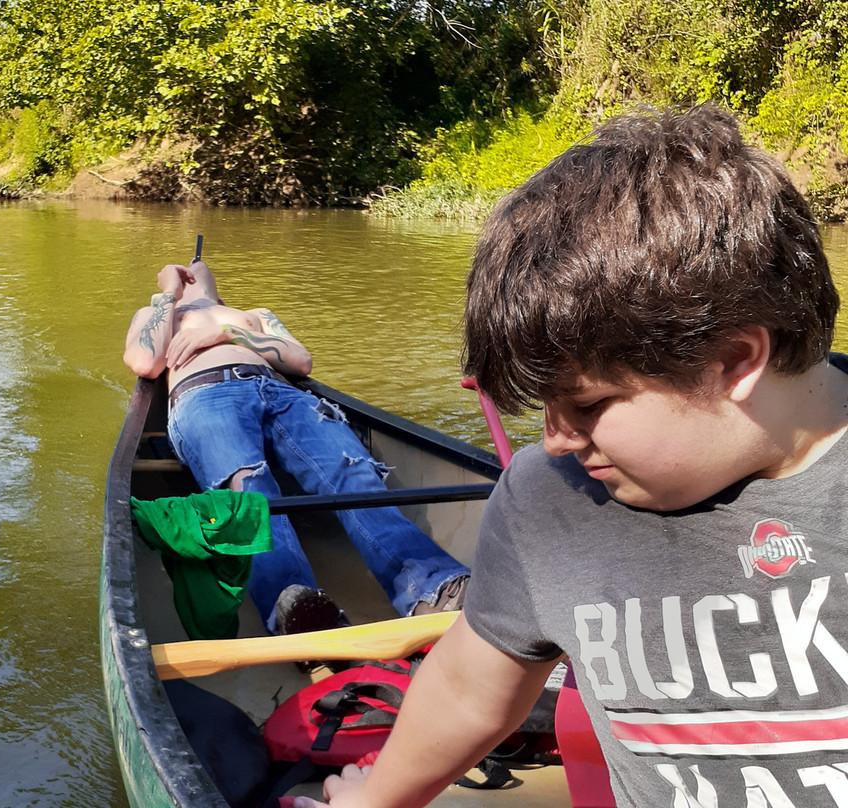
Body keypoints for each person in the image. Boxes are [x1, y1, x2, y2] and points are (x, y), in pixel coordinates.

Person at [300, 104, 848, 808]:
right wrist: (372, 801)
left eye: (587, 405)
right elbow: (471, 691)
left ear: (734, 359)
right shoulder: (552, 500)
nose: (554, 440)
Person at [123, 259, 470, 636]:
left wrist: (226, 333)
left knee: (353, 474)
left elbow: (300, 361)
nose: (190, 272)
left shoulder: (252, 315)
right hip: (204, 393)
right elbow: (145, 362)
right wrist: (168, 294)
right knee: (250, 490)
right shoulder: (158, 313)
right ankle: (293, 606)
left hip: (283, 392)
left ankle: (434, 588)